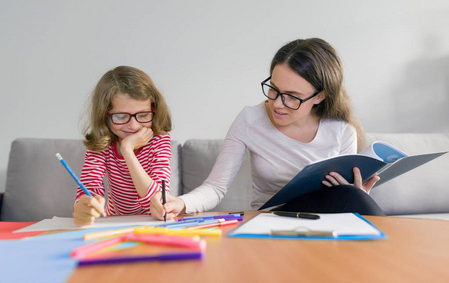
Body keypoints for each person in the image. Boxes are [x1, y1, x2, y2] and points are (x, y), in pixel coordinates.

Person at [150, 38, 385, 220]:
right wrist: (180, 203)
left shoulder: (341, 130)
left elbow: (342, 199)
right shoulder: (250, 120)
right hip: (274, 219)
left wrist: (357, 195)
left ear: (319, 96)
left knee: (350, 195)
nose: (276, 103)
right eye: (273, 89)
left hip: (327, 222)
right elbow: (216, 187)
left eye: (292, 97)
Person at [73, 66, 172, 226]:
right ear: (104, 115)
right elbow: (89, 190)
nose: (133, 126)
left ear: (154, 109)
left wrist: (127, 150)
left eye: (143, 115)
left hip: (153, 223)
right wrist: (86, 207)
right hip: (116, 224)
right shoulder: (102, 145)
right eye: (120, 116)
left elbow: (157, 198)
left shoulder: (158, 140)